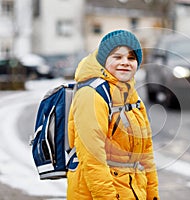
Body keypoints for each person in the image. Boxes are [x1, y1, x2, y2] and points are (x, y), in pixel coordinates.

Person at [67, 29, 160, 200]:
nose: (125, 62)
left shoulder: (132, 96)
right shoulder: (92, 94)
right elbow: (92, 158)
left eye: (131, 58)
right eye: (117, 57)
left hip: (131, 190)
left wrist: (152, 195)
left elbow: (146, 153)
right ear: (104, 60)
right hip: (97, 193)